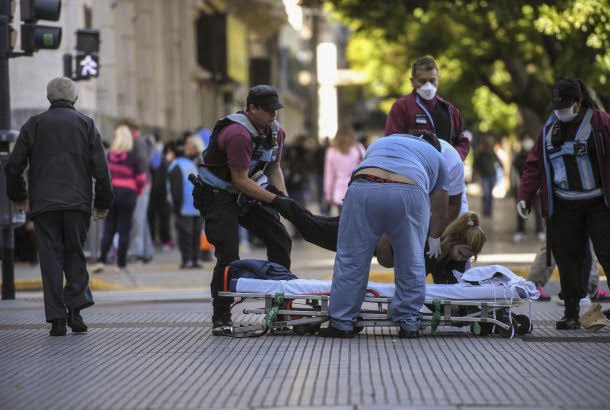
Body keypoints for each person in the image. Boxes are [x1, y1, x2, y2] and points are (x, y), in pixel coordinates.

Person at [4, 77, 113, 336]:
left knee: (50, 258)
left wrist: (19, 195)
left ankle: (57, 319)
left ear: (48, 98)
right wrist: (102, 202)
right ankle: (76, 311)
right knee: (75, 253)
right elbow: (101, 169)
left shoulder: (33, 124)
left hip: (44, 204)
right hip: (77, 202)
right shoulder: (86, 124)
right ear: (74, 98)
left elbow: (13, 166)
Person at [317, 133, 448, 339]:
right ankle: (409, 323)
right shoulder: (438, 156)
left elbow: (371, 168)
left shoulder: (381, 142)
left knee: (351, 258)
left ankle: (342, 323)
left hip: (363, 187)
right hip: (409, 190)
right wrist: (435, 237)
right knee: (411, 259)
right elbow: (441, 208)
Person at [194, 85, 292, 329]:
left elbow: (273, 167)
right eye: (268, 110)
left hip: (247, 192)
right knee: (228, 254)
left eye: (276, 110)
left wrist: (286, 202)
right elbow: (239, 180)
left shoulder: (276, 132)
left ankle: (277, 311)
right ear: (252, 109)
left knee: (280, 238)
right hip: (219, 195)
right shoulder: (237, 133)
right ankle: (221, 316)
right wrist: (275, 200)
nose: (274, 115)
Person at [517, 78, 610, 330]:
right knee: (567, 260)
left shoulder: (602, 124)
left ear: (578, 102)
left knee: (608, 254)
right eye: (557, 106)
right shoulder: (549, 128)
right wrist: (524, 196)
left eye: (565, 105)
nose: (560, 111)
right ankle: (571, 313)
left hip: (600, 205)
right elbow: (534, 166)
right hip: (564, 206)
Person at [385, 56, 470, 160]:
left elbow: (462, 142)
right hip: (415, 166)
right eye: (422, 81)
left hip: (446, 167)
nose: (428, 85)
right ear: (412, 81)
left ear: (438, 80)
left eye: (432, 80)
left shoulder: (450, 109)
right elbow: (392, 141)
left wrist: (454, 157)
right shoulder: (402, 106)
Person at [94, 125, 146, 274]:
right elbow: (141, 179)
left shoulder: (108, 156)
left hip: (112, 192)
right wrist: (138, 191)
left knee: (109, 228)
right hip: (128, 194)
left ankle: (101, 260)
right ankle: (121, 263)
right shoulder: (133, 158)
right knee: (124, 229)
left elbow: (102, 175)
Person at [121, 118, 155, 263]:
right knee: (142, 218)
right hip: (144, 182)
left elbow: (142, 163)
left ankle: (136, 251)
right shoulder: (142, 141)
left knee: (137, 218)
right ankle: (146, 250)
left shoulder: (137, 142)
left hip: (140, 183)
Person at [169, 136, 205, 269]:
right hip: (197, 205)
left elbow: (176, 189)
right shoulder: (191, 164)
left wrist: (176, 206)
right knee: (196, 234)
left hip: (183, 207)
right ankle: (197, 259)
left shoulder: (175, 166)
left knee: (185, 235)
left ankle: (187, 260)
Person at [323, 123, 366, 213]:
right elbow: (366, 167)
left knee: (342, 220)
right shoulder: (359, 148)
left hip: (339, 193)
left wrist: (328, 194)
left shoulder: (331, 151)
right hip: (357, 191)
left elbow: (329, 175)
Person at [512, 133, 544, 242]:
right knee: (523, 210)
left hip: (534, 190)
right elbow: (515, 175)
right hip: (524, 189)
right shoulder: (518, 159)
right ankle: (521, 231)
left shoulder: (538, 158)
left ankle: (539, 230)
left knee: (537, 211)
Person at [473, 137, 502, 217]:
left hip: (492, 175)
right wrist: (474, 174)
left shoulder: (492, 153)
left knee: (490, 194)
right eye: (487, 145)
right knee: (486, 193)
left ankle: (489, 211)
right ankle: (486, 210)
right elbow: (475, 165)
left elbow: (499, 162)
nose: (488, 146)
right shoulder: (480, 154)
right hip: (484, 176)